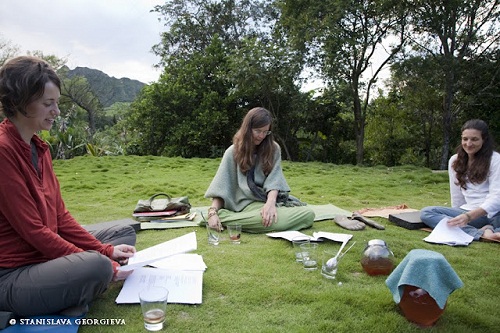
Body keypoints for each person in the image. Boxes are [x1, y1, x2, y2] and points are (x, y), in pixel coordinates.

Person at [0, 56, 137, 319]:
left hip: (45, 256)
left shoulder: (39, 148)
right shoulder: (4, 151)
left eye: (57, 103)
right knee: (96, 267)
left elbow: (60, 218)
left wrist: (107, 250)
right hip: (13, 273)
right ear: (20, 103)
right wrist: (103, 261)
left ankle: (74, 288)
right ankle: (77, 287)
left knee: (123, 233)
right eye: (48, 103)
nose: (56, 111)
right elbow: (34, 232)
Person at [204, 107, 315, 233]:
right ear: (247, 129)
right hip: (244, 206)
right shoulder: (232, 152)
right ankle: (218, 218)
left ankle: (226, 219)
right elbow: (221, 188)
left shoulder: (274, 149)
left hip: (266, 200)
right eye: (257, 131)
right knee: (274, 221)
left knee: (308, 214)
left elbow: (275, 180)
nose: (262, 136)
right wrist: (212, 212)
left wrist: (270, 204)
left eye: (265, 132)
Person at [420, 119, 500, 241]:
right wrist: (459, 217)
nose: (468, 144)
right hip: (469, 212)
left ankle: (490, 228)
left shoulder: (495, 160)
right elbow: (457, 197)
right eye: (465, 139)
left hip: (493, 213)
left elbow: (497, 197)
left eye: (474, 139)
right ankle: (482, 233)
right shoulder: (455, 161)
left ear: (484, 140)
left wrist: (468, 217)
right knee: (427, 213)